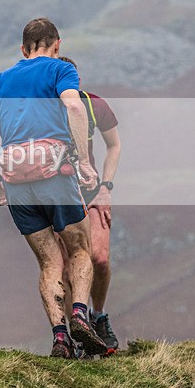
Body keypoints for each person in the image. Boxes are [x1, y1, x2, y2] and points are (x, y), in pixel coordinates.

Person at [0, 17, 107, 358]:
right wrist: (86, 162)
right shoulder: (60, 70)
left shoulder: (1, 80)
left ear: (22, 48)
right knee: (79, 249)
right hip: (54, 174)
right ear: (57, 44)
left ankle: (60, 339)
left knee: (48, 262)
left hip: (16, 182)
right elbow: (74, 105)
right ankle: (79, 316)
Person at [57, 56, 122, 353]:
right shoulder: (42, 109)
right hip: (59, 195)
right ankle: (77, 334)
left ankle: (98, 316)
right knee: (68, 267)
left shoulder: (93, 105)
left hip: (93, 192)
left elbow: (114, 144)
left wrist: (106, 188)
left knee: (100, 260)